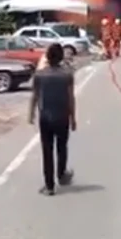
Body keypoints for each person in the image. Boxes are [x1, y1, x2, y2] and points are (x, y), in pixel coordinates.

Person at [29, 42, 77, 196]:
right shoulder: (67, 75)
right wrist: (73, 118)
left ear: (47, 57)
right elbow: (71, 98)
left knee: (47, 150)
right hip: (62, 116)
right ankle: (61, 175)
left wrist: (31, 114)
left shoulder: (39, 75)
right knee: (62, 147)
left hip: (45, 117)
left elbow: (35, 96)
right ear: (61, 57)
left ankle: (49, 186)